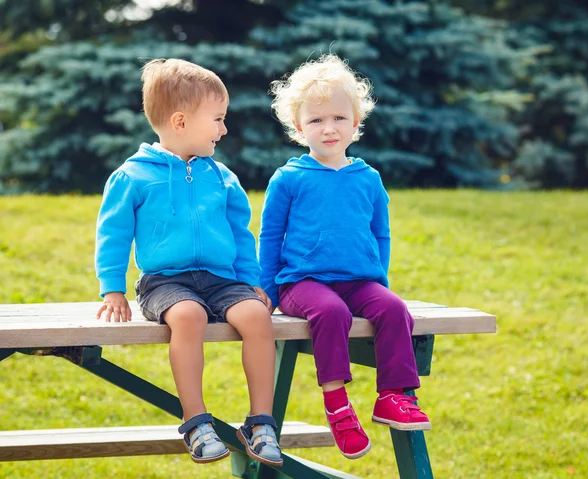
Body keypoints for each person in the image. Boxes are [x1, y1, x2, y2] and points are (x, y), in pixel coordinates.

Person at [95, 58, 282, 466]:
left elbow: (239, 234)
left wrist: (250, 281)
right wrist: (113, 288)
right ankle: (196, 422)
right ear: (180, 122)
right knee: (189, 317)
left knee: (256, 317)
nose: (224, 128)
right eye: (217, 119)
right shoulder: (133, 176)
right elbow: (113, 235)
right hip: (165, 282)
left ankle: (261, 422)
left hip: (221, 280)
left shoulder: (222, 177)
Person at [259, 54, 430, 460]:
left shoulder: (368, 179)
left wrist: (379, 282)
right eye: (316, 121)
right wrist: (267, 289)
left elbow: (380, 233)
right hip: (302, 284)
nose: (329, 128)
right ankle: (337, 404)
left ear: (356, 122)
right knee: (331, 313)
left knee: (394, 310)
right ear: (299, 128)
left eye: (338, 118)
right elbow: (269, 237)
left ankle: (392, 396)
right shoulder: (289, 178)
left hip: (360, 281)